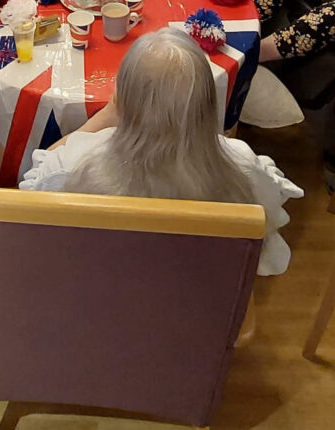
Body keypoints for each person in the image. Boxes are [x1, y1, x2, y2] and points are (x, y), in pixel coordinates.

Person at [20, 29, 303, 276]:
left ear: (122, 99)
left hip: (97, 294)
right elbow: (269, 216)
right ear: (206, 102)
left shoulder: (74, 164)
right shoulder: (242, 164)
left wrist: (105, 116)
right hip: (197, 300)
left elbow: (32, 185)